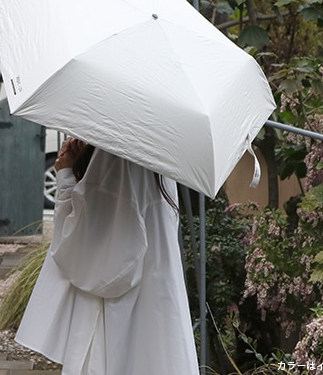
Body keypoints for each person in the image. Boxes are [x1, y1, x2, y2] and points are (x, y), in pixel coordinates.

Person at [15, 138, 200, 375]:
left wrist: (67, 174)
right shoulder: (159, 154)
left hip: (115, 308)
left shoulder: (115, 155)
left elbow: (89, 244)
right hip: (159, 290)